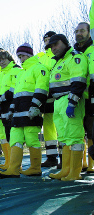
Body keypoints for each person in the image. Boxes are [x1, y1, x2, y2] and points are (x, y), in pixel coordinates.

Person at [0, 43, 49, 179]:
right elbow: (17, 95)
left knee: (32, 140)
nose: (21, 58)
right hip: (18, 114)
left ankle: (35, 168)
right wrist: (11, 110)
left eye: (23, 55)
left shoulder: (39, 68)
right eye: (19, 56)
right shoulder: (21, 73)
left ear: (30, 54)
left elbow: (42, 89)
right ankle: (13, 169)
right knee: (15, 140)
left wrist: (35, 106)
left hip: (31, 112)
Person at [46, 34, 88, 181]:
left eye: (55, 44)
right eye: (51, 47)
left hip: (69, 100)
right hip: (58, 103)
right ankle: (66, 169)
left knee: (75, 137)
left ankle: (75, 172)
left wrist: (72, 103)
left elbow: (79, 81)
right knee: (63, 138)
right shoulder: (57, 62)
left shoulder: (75, 57)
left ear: (64, 42)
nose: (53, 48)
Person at [0, 49, 21, 170]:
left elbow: (14, 89)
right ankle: (10, 163)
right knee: (7, 135)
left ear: (9, 58)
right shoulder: (0, 74)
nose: (1, 62)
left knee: (15, 136)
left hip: (14, 106)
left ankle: (15, 166)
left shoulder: (17, 70)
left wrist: (1, 98)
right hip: (3, 107)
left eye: (3, 59)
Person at [37, 31, 60, 168]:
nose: (47, 41)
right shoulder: (40, 57)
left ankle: (65, 158)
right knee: (48, 128)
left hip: (58, 95)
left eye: (50, 39)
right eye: (45, 39)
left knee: (61, 126)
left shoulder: (59, 55)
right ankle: (52, 158)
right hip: (45, 97)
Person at [74, 22, 94, 173]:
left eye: (82, 30)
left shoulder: (92, 50)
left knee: (92, 131)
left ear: (89, 32)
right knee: (79, 132)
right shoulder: (75, 54)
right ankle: (82, 164)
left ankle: (92, 166)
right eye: (76, 31)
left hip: (91, 98)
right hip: (79, 99)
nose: (78, 33)